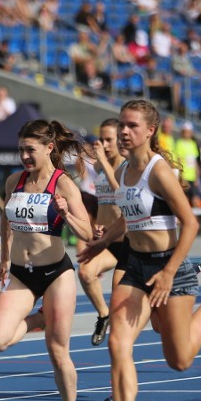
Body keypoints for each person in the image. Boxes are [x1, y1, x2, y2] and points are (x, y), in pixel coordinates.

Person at [79, 100, 201, 401]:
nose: (124, 131)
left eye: (132, 126)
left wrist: (168, 273)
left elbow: (192, 223)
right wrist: (103, 241)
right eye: (121, 124)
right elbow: (128, 218)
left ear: (150, 130)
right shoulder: (122, 172)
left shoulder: (158, 170)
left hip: (171, 268)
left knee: (179, 361)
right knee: (118, 344)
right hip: (135, 267)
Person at [0, 119, 93, 401]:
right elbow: (6, 219)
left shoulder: (64, 185)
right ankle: (39, 317)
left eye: (30, 150)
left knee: (57, 350)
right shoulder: (14, 181)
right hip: (21, 273)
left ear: (49, 148)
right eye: (20, 150)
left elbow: (87, 233)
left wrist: (67, 213)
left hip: (55, 274)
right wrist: (5, 256)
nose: (24, 156)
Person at [76, 119, 126, 348]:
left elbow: (123, 194)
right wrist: (97, 225)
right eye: (101, 139)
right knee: (86, 272)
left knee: (124, 306)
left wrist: (104, 162)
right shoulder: (98, 168)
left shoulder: (126, 165)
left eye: (109, 140)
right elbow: (103, 203)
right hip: (107, 241)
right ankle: (103, 315)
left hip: (130, 244)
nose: (104, 145)